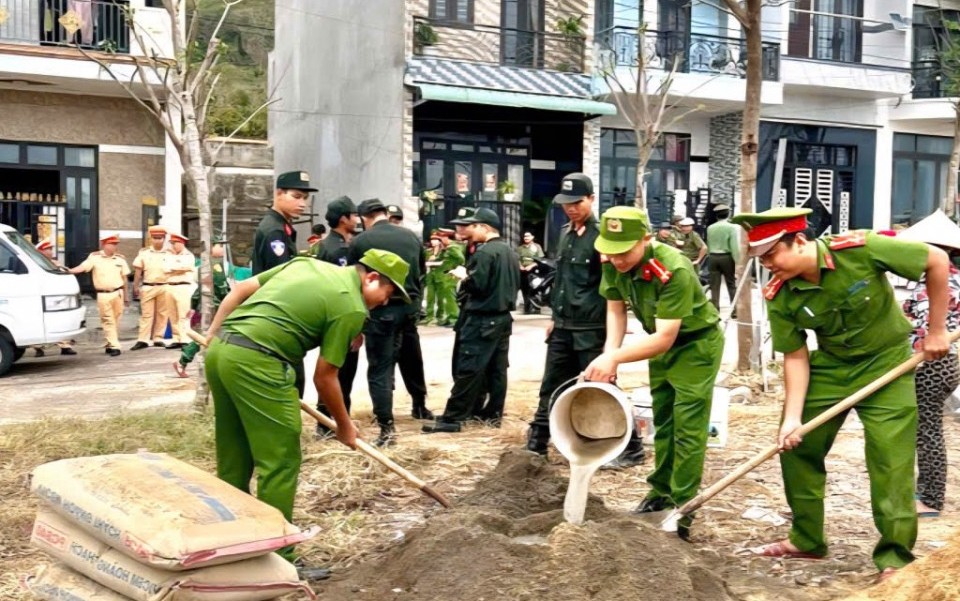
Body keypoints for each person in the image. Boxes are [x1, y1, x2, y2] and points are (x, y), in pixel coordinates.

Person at [729, 208, 949, 580]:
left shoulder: (860, 249)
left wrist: (937, 330)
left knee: (890, 460)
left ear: (798, 240)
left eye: (770, 255)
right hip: (831, 368)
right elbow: (796, 356)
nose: (766, 266)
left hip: (887, 365)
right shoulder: (780, 293)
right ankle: (807, 538)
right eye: (760, 259)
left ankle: (895, 557)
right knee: (796, 445)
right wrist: (793, 418)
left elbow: (937, 260)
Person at [203, 250, 410, 580]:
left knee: (234, 459)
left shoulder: (307, 264)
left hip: (223, 351)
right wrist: (345, 426)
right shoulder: (351, 306)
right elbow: (325, 376)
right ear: (372, 278)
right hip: (260, 364)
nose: (386, 302)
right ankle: (278, 561)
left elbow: (240, 291)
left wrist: (212, 335)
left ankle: (233, 550)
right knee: (280, 463)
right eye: (389, 293)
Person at [582, 206, 723, 540]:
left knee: (687, 427)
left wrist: (615, 358)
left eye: (624, 251)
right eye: (610, 252)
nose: (616, 260)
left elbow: (665, 337)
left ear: (645, 239)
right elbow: (615, 311)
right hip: (658, 346)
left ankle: (683, 508)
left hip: (695, 344)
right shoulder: (613, 261)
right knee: (663, 420)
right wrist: (609, 356)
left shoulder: (673, 268)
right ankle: (659, 491)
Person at [526, 174, 644, 468]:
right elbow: (562, 280)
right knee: (551, 384)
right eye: (566, 204)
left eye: (577, 203)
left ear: (591, 199)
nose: (571, 209)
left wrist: (610, 344)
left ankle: (631, 448)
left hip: (591, 327)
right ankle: (537, 443)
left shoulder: (603, 237)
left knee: (603, 387)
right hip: (564, 325)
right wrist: (555, 317)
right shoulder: (565, 233)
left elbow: (612, 290)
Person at [423, 208, 520, 433]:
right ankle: (491, 413)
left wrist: (463, 277)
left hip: (482, 318)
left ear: (484, 227)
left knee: (469, 368)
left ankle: (454, 417)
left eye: (473, 225)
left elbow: (477, 285)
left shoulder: (486, 253)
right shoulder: (509, 251)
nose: (468, 229)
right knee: (496, 370)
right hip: (502, 318)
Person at [348, 198, 429, 446]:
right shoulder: (411, 237)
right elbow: (422, 272)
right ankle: (420, 405)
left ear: (365, 217)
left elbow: (354, 281)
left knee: (380, 368)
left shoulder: (362, 241)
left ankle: (386, 426)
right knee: (411, 357)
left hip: (381, 309)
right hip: (409, 307)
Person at [901, 224, 960, 519]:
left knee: (927, 428)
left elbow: (922, 326)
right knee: (925, 427)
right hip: (938, 362)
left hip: (932, 362)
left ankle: (931, 499)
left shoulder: (939, 283)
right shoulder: (942, 279)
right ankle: (925, 492)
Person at [313, 195, 361, 435]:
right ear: (344, 219)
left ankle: (328, 421)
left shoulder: (324, 245)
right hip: (339, 320)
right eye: (354, 215)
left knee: (331, 369)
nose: (357, 220)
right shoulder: (339, 249)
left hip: (328, 317)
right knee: (340, 372)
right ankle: (331, 422)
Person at [173, 240, 231, 378]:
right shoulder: (217, 265)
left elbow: (199, 290)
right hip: (215, 306)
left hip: (205, 305)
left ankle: (185, 361)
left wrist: (193, 306)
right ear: (212, 247)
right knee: (209, 335)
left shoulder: (203, 265)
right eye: (220, 246)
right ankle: (183, 361)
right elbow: (221, 288)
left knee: (208, 335)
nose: (223, 249)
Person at [68, 235, 131, 356]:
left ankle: (109, 343)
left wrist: (127, 296)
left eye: (115, 244)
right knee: (108, 320)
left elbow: (125, 279)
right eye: (111, 244)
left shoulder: (120, 259)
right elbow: (83, 267)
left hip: (118, 293)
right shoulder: (95, 258)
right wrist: (70, 271)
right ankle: (115, 346)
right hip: (103, 294)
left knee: (116, 320)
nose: (114, 247)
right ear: (104, 244)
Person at [252, 170, 314, 274]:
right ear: (279, 194)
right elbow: (280, 276)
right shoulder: (275, 231)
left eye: (305, 198)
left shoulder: (279, 224)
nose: (303, 204)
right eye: (296, 197)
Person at [32, 240, 77, 357]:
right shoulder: (34, 264)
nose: (51, 252)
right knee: (38, 322)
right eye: (48, 249)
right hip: (40, 297)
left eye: (51, 249)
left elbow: (64, 277)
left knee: (61, 321)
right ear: (40, 251)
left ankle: (65, 346)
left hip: (56, 297)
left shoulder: (55, 263)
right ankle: (38, 348)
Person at [131, 225, 171, 350]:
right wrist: (135, 286)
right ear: (151, 239)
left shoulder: (170, 253)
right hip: (148, 286)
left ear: (164, 239)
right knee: (146, 315)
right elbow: (138, 271)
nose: (157, 240)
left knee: (162, 314)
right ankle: (143, 339)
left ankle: (158, 338)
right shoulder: (144, 253)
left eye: (160, 238)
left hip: (164, 286)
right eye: (155, 238)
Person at [163, 233, 196, 350]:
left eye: (175, 243)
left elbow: (187, 267)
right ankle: (176, 338)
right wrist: (178, 269)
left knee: (183, 314)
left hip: (183, 287)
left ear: (181, 243)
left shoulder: (188, 255)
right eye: (172, 243)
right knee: (172, 315)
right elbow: (165, 269)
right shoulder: (168, 255)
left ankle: (185, 339)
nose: (173, 246)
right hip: (169, 286)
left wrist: (175, 269)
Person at [705, 204, 740, 310]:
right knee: (731, 284)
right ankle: (734, 310)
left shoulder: (710, 228)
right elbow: (734, 246)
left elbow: (709, 244)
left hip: (713, 257)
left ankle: (715, 309)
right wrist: (737, 262)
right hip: (727, 257)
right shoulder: (731, 227)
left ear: (716, 215)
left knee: (714, 285)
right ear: (728, 214)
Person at [517, 232, 545, 314]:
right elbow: (517, 259)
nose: (526, 238)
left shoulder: (537, 247)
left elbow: (540, 260)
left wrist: (532, 266)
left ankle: (535, 308)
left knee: (534, 289)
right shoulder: (520, 248)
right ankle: (527, 308)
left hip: (534, 271)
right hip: (523, 271)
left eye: (528, 236)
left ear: (532, 237)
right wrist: (520, 266)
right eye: (525, 236)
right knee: (524, 289)